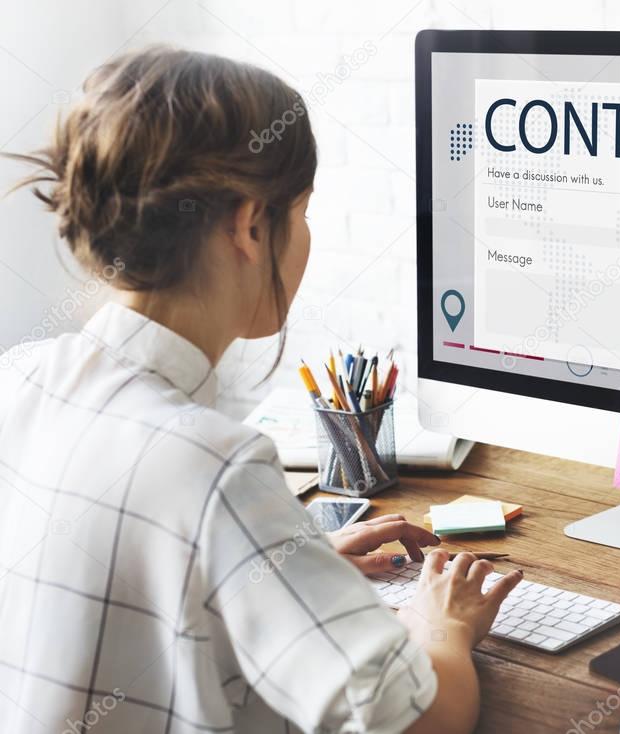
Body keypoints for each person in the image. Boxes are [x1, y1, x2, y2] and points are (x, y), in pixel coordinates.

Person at [0, 46, 520, 734]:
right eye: (300, 212)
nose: (302, 237)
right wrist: (439, 625)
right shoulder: (214, 464)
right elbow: (418, 720)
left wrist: (276, 568)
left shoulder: (18, 376)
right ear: (248, 225)